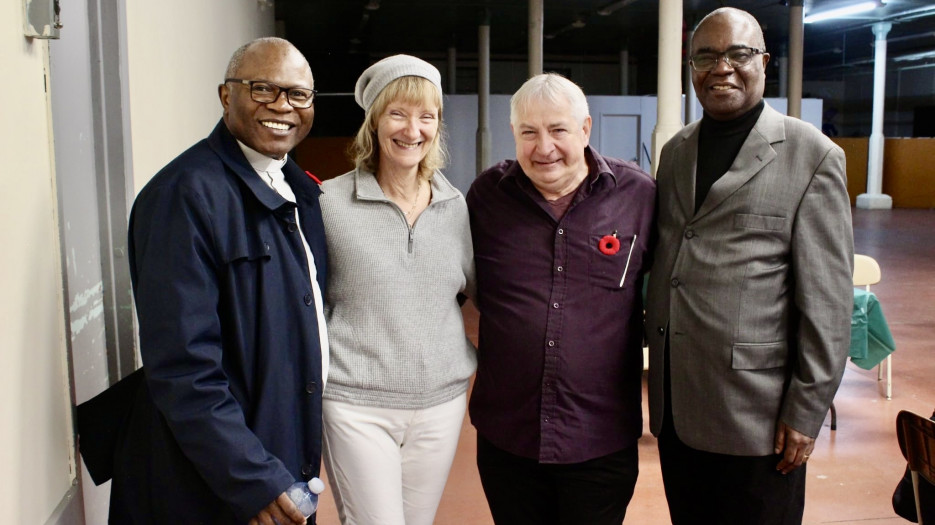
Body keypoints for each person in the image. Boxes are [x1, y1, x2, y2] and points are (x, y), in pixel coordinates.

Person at [645, 7, 854, 524]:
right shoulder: (675, 152)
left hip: (759, 419)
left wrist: (806, 410)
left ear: (764, 62)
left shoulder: (812, 155)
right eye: (707, 56)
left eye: (738, 54)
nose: (722, 68)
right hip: (679, 407)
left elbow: (828, 304)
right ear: (691, 66)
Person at [110, 37, 327, 525]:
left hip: (277, 455)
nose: (282, 107)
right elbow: (184, 368)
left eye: (298, 94)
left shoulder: (300, 192)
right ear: (226, 96)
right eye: (262, 89)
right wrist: (252, 480)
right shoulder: (183, 197)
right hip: (215, 480)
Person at [467, 73, 656, 525]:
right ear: (514, 133)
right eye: (529, 132)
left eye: (558, 130)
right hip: (508, 437)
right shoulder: (485, 199)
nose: (544, 147)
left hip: (600, 438)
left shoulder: (639, 196)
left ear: (586, 129)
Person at [318, 54, 476, 525]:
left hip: (440, 404)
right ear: (374, 122)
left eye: (427, 116)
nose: (413, 130)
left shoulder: (456, 206)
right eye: (398, 114)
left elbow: (477, 288)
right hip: (355, 403)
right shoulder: (328, 203)